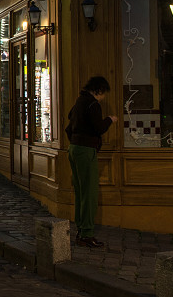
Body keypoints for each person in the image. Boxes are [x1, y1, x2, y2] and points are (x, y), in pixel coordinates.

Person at [67, 76, 117, 248]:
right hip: (86, 150)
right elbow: (99, 128)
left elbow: (69, 125)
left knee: (81, 192)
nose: (103, 98)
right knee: (89, 193)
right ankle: (87, 234)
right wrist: (110, 119)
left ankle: (80, 229)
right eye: (103, 94)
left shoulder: (79, 101)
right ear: (99, 90)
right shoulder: (93, 104)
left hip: (74, 148)